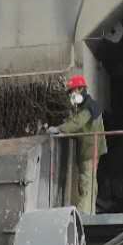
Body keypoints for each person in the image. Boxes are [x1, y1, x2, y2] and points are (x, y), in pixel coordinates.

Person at [51, 72, 106, 214]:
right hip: (90, 149)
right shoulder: (86, 106)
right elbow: (79, 125)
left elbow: (77, 123)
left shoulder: (88, 107)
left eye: (72, 91)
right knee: (90, 182)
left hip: (89, 150)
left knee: (86, 182)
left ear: (81, 89)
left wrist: (59, 129)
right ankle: (90, 212)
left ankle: (84, 214)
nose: (71, 95)